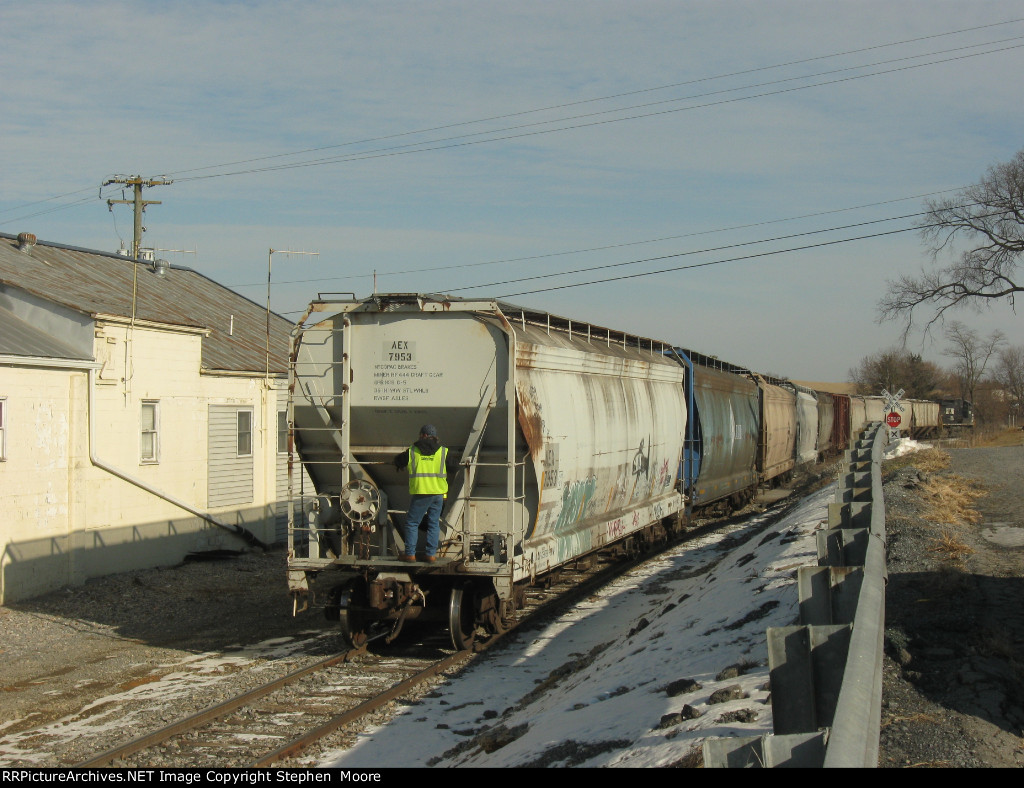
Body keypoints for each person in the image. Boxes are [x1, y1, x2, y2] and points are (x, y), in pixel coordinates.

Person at [393, 424, 450, 562]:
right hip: (438, 494)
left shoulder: (413, 450)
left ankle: (410, 554)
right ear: (434, 437)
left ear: (423, 435)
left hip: (421, 493)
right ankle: (430, 555)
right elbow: (453, 465)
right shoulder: (443, 451)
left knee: (412, 523)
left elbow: (398, 461)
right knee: (433, 523)